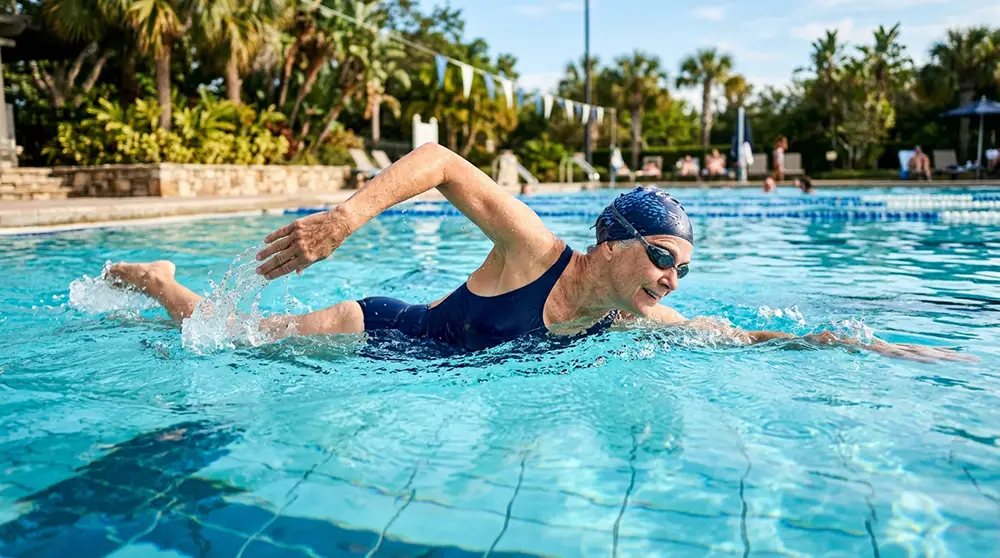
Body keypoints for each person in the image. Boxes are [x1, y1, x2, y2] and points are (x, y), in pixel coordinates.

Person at [105, 144, 972, 363]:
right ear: (612, 240)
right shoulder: (540, 250)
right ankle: (160, 279)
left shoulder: (633, 320)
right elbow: (442, 163)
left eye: (681, 270)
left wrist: (860, 346)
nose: (670, 279)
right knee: (224, 339)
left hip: (420, 376)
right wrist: (347, 216)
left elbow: (746, 340)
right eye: (662, 258)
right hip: (373, 331)